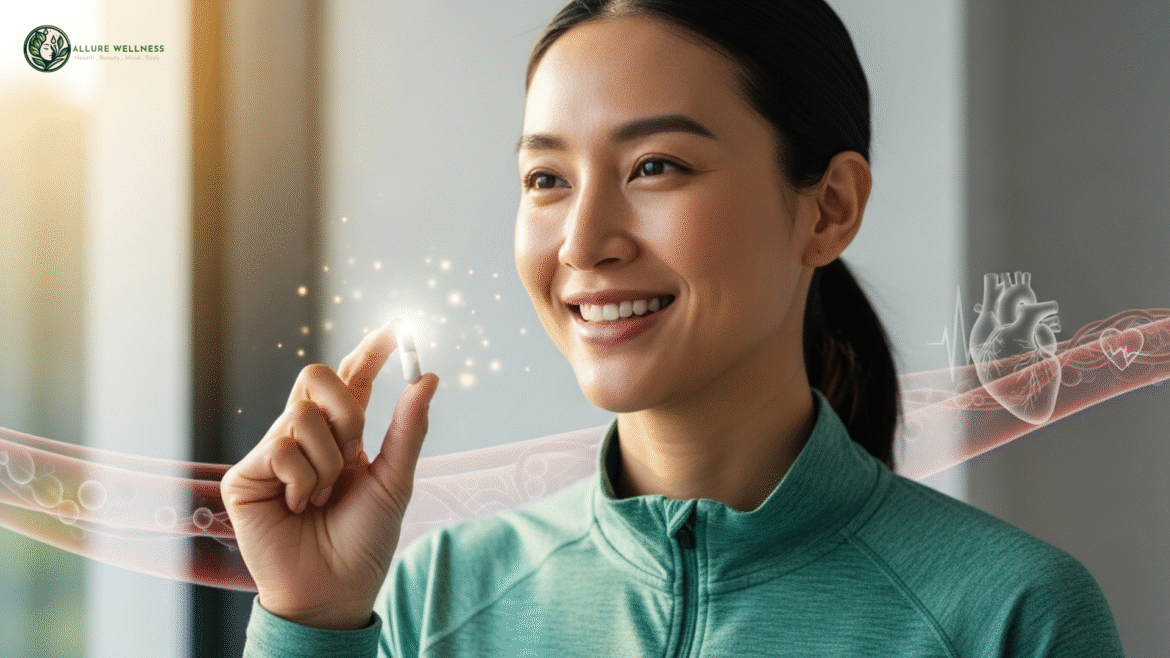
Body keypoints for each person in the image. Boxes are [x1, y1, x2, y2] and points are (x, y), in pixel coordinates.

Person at [224, 0, 1125, 655]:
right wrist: (309, 620)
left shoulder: (1010, 615)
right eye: (546, 179)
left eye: (655, 166)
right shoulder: (435, 596)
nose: (583, 242)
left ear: (829, 208)